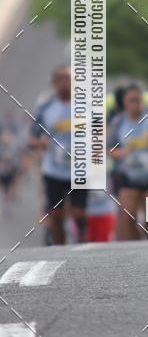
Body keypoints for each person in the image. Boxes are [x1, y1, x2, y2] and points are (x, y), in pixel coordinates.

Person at [29, 66, 87, 245]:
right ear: (54, 83)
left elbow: (101, 131)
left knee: (79, 213)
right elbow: (31, 138)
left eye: (68, 78)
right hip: (53, 169)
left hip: (79, 169)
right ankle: (60, 250)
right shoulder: (45, 108)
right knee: (56, 214)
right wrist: (41, 143)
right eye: (61, 79)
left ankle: (83, 240)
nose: (65, 83)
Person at [108, 84, 148, 240]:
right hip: (128, 175)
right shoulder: (117, 122)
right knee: (128, 217)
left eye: (138, 100)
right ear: (125, 103)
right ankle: (135, 252)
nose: (136, 104)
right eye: (131, 100)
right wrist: (122, 152)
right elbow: (109, 149)